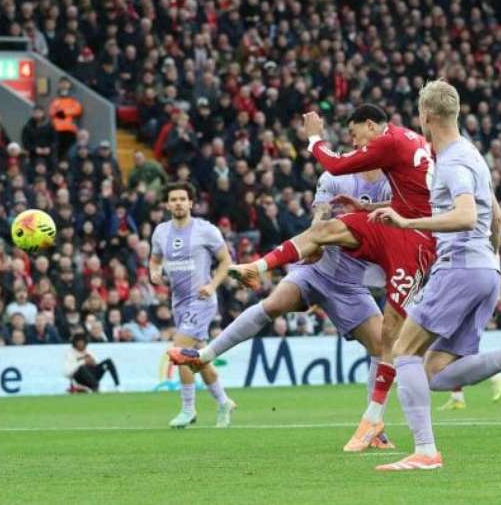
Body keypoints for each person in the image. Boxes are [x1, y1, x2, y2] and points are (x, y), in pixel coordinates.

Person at [370, 80, 501, 472]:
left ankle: (424, 451)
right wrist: (491, 260)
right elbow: (498, 216)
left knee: (403, 351)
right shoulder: (473, 154)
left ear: (426, 116)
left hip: (459, 267)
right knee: (435, 372)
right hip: (484, 270)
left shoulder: (453, 162)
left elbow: (467, 215)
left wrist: (406, 222)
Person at [227, 103, 437, 450]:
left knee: (390, 332)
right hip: (392, 221)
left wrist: (314, 139)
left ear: (371, 125)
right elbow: (413, 197)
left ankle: (374, 417)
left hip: (415, 241)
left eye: (356, 134)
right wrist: (367, 208)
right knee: (324, 229)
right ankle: (258, 267)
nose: (356, 143)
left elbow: (336, 163)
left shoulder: (390, 140)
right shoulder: (409, 140)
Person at [169, 168, 396, 450]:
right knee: (273, 304)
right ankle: (204, 355)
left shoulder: (396, 179)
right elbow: (321, 216)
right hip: (315, 270)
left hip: (351, 285)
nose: (359, 144)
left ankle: (373, 426)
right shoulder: (337, 175)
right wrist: (316, 236)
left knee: (382, 347)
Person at [150, 182, 236, 428]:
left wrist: (212, 286)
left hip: (202, 301)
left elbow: (225, 261)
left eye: (182, 199)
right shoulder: (160, 232)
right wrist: (154, 272)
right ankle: (223, 402)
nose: (177, 203)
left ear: (191, 203)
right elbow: (154, 260)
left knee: (179, 351)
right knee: (199, 358)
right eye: (173, 199)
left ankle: (188, 410)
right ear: (168, 204)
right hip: (178, 302)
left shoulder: (205, 230)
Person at [48, 77, 83, 156]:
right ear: (59, 85)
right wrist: (67, 112)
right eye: (62, 83)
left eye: (65, 83)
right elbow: (52, 112)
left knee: (70, 152)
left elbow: (78, 110)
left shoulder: (73, 100)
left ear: (69, 85)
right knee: (58, 152)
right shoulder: (55, 100)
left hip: (70, 130)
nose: (64, 85)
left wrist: (63, 111)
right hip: (57, 130)